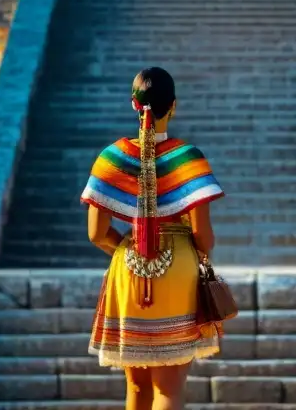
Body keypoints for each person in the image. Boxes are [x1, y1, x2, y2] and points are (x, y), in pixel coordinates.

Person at [82, 67, 225, 410]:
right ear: (172, 106)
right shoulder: (188, 159)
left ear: (134, 104)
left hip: (128, 271)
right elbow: (203, 235)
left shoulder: (112, 158)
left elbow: (96, 233)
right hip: (178, 272)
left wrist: (129, 249)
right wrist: (194, 255)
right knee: (169, 391)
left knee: (137, 389)